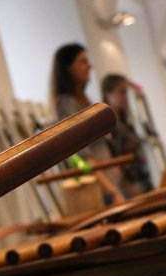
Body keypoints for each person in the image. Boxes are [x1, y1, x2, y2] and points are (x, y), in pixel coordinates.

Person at [49, 43, 125, 203]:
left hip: (109, 182)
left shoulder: (82, 100)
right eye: (82, 61)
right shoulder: (66, 104)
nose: (89, 66)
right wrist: (110, 191)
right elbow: (79, 158)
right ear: (68, 69)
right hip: (101, 188)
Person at [101, 74, 154, 196]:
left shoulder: (126, 120)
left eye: (127, 92)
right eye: (122, 92)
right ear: (108, 95)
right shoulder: (107, 125)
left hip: (141, 177)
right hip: (127, 185)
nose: (126, 97)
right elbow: (114, 157)